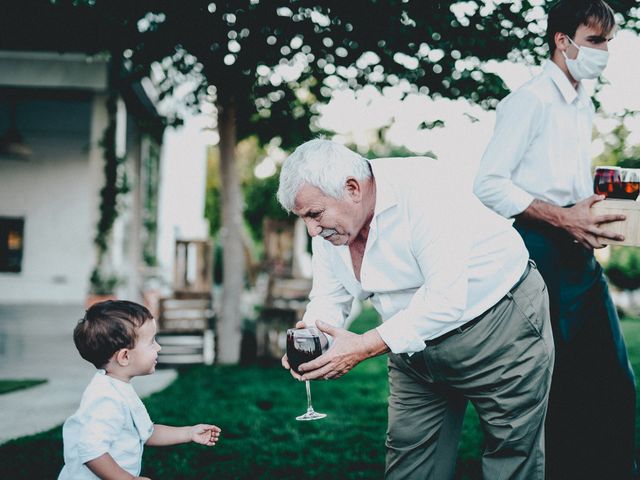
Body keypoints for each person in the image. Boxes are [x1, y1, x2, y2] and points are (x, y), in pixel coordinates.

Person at [277, 139, 555, 479]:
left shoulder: (426, 188)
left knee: (511, 455)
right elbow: (329, 296)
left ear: (352, 188)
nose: (311, 229)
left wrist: (362, 346)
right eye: (303, 218)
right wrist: (313, 334)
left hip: (498, 326)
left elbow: (444, 299)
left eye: (314, 215)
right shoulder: (331, 230)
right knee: (409, 460)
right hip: (410, 347)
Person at [473, 1, 636, 478]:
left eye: (609, 41)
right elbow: (487, 184)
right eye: (595, 40)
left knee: (613, 382)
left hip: (580, 257)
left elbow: (565, 182)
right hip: (537, 253)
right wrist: (565, 219)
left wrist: (599, 209)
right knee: (557, 385)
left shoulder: (582, 98)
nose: (605, 51)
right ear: (562, 41)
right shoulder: (530, 99)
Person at [58, 300, 221, 480]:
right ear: (125, 356)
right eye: (152, 342)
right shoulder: (106, 399)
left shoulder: (118, 387)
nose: (158, 347)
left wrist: (188, 433)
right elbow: (91, 451)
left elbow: (147, 432)